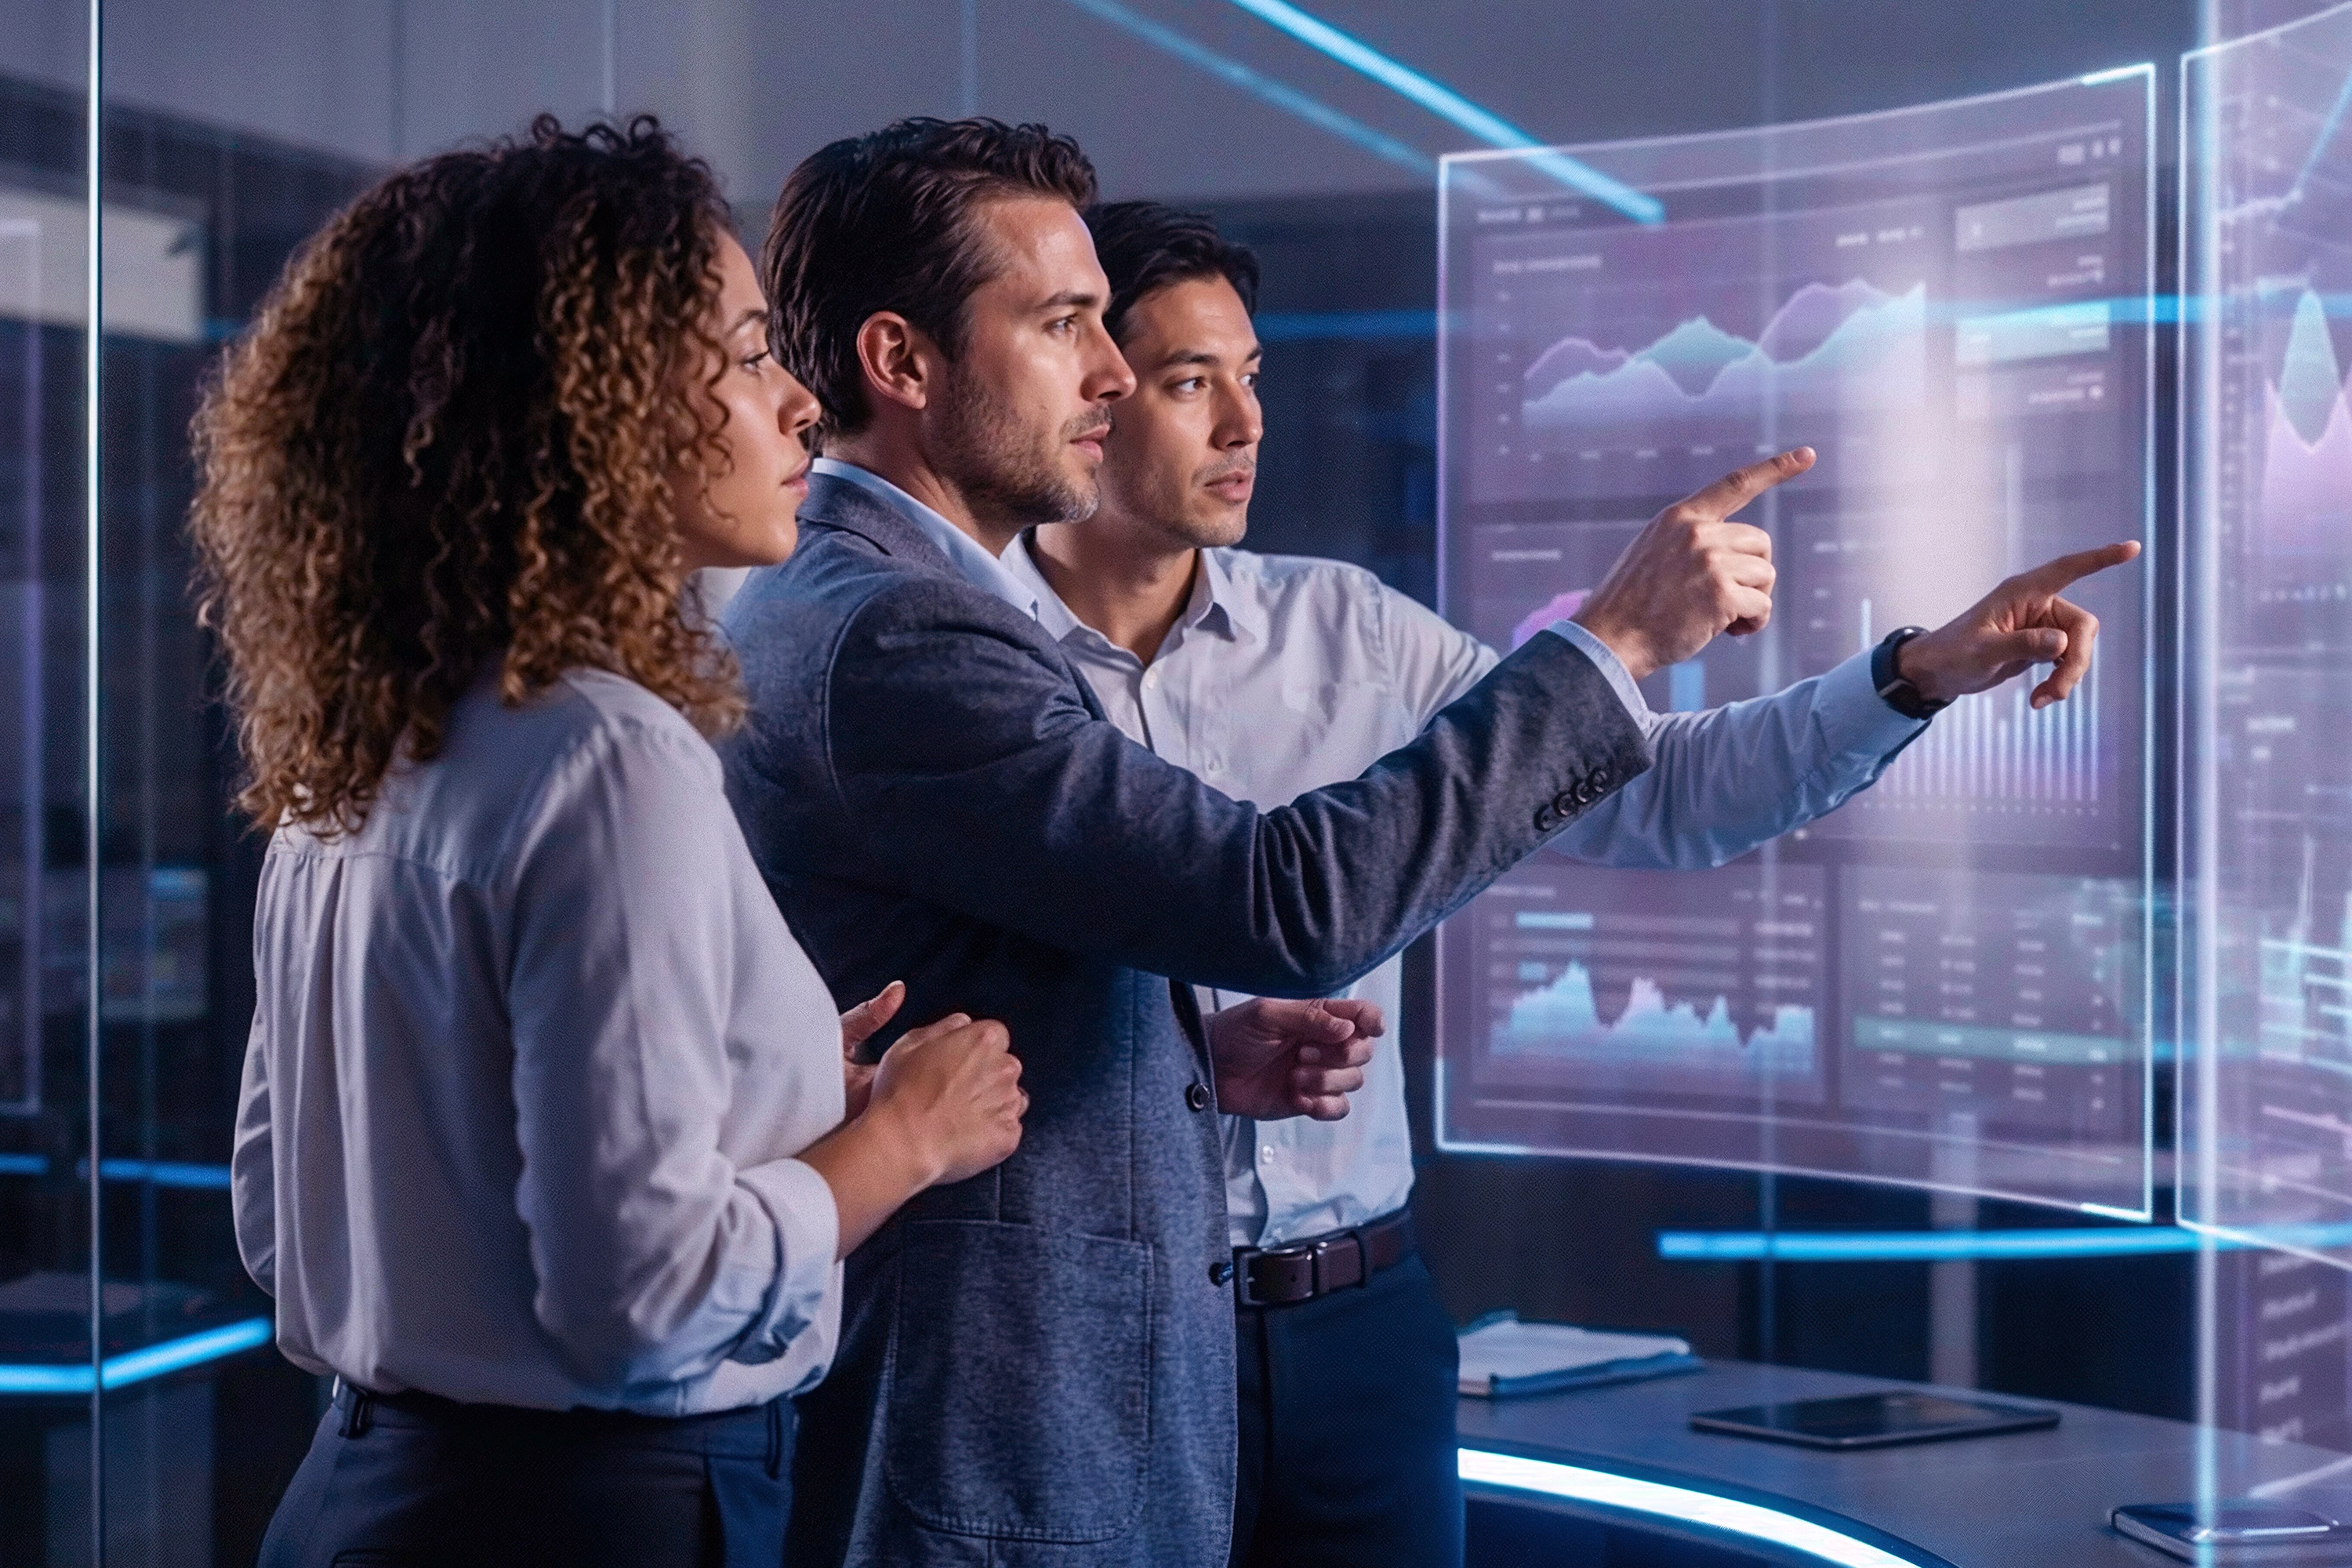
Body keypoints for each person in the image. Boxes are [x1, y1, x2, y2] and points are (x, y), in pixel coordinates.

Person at [725, 116, 1817, 1567]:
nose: (1108, 376)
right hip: (1004, 1430)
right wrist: (1612, 639)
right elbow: (1286, 899)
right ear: (903, 363)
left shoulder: (890, 601)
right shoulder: (901, 628)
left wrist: (1173, 1059)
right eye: (1067, 327)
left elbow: (970, 980)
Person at [1002, 199, 2143, 1568]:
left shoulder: (1349, 632)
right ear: (1092, 393)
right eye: (1196, 384)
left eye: (1256, 378)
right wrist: (1181, 1051)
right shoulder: (974, 660)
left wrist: (1911, 676)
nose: (1248, 425)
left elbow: (1654, 789)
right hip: (1088, 1332)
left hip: (1354, 1325)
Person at [204, 117, 1028, 1568]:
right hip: (587, 1520)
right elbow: (641, 1297)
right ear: (590, 402)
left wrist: (767, 1104)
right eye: (752, 353)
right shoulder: (609, 756)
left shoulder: (366, 742)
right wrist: (900, 1141)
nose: (800, 411)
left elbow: (286, 1225)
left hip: (356, 1502)